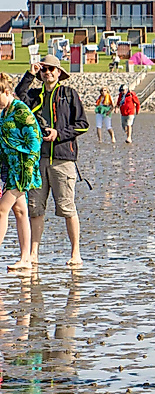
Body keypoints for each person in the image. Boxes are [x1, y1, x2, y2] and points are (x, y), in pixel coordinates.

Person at [15, 55, 88, 268]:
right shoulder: (34, 96)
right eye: (44, 70)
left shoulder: (69, 94)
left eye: (51, 69)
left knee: (67, 207)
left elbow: (83, 124)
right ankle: (33, 253)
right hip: (38, 159)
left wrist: (59, 133)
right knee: (35, 208)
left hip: (63, 159)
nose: (47, 73)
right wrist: (30, 74)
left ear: (59, 72)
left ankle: (75, 253)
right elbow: (19, 96)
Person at [0, 73, 42, 272]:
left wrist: (28, 169)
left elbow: (35, 140)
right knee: (20, 211)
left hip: (23, 170)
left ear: (7, 92)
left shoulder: (21, 110)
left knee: (2, 210)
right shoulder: (4, 112)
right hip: (10, 169)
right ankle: (26, 258)